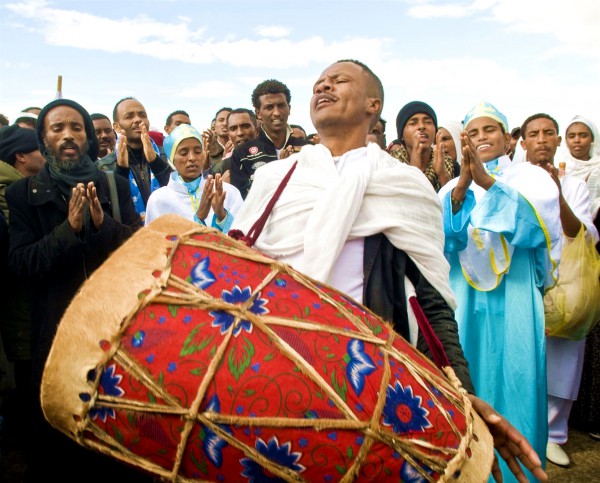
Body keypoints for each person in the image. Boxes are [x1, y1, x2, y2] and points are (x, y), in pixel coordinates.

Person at [232, 60, 547, 483]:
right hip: (275, 374)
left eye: (339, 80)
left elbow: (433, 303)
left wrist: (463, 395)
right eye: (319, 82)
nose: (324, 85)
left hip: (369, 386)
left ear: (372, 105)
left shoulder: (404, 185)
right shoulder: (274, 181)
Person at [6, 98, 146, 481]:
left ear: (87, 137)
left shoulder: (115, 187)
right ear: (44, 139)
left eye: (76, 127)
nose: (67, 136)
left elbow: (139, 250)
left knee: (114, 444)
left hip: (115, 335)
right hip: (56, 340)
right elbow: (22, 263)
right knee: (60, 448)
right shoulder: (24, 195)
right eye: (57, 128)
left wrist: (104, 228)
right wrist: (70, 232)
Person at [438, 101, 561, 482]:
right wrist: (461, 191)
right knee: (469, 378)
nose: (480, 139)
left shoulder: (531, 178)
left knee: (517, 376)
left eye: (488, 130)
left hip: (516, 297)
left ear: (508, 138)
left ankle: (519, 470)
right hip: (466, 302)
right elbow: (444, 245)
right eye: (472, 133)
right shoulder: (449, 187)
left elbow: (537, 231)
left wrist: (488, 185)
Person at [518, 113, 598, 468]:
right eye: (533, 134)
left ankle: (554, 434)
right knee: (524, 354)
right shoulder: (511, 180)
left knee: (563, 358)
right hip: (522, 280)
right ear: (522, 143)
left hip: (565, 282)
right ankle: (520, 425)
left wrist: (558, 193)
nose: (541, 139)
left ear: (557, 141)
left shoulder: (575, 185)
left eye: (548, 133)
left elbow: (582, 234)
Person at [145, 124, 243, 231]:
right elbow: (156, 244)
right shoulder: (159, 200)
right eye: (183, 153)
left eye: (197, 152)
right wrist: (199, 217)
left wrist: (222, 215)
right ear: (172, 159)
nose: (192, 158)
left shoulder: (227, 192)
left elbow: (242, 236)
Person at [97, 97, 173, 220]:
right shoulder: (105, 166)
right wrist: (121, 171)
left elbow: (181, 195)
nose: (138, 119)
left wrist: (156, 163)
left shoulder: (166, 156)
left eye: (142, 115)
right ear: (116, 127)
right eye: (129, 116)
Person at [229, 79, 308, 198]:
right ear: (258, 113)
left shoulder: (308, 148)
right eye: (269, 107)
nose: (276, 112)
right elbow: (242, 198)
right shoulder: (242, 153)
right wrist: (280, 170)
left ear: (289, 108)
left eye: (281, 105)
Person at [391, 101, 455, 191]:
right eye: (413, 123)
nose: (421, 126)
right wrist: (414, 170)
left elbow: (454, 202)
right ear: (401, 135)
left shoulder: (450, 164)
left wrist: (442, 174)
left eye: (428, 122)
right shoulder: (390, 165)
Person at [210, 108, 259, 179]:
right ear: (229, 135)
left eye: (245, 126)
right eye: (233, 128)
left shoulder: (272, 158)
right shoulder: (218, 170)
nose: (240, 133)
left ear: (257, 131)